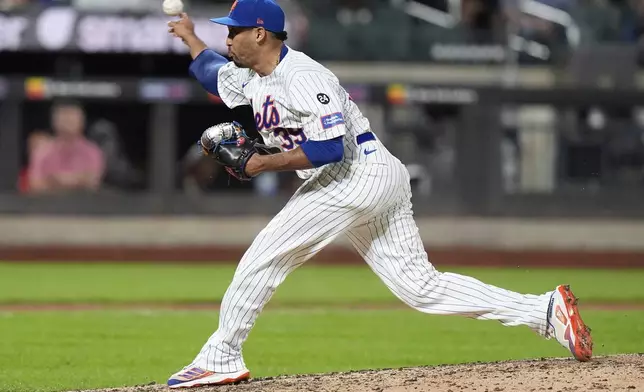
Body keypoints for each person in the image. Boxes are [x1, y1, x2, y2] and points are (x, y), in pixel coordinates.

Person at [166, 0, 593, 388]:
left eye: (233, 31)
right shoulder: (252, 77)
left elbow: (329, 147)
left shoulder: (303, 76)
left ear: (260, 34)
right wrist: (188, 36)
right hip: (373, 177)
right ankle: (544, 311)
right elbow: (209, 71)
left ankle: (221, 356)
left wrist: (261, 163)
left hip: (354, 175)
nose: (227, 39)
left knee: (265, 255)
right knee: (421, 288)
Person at [28, 101, 105, 194]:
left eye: (72, 115)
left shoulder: (93, 152)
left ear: (82, 120)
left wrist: (56, 180)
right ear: (54, 121)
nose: (68, 120)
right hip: (49, 205)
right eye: (64, 115)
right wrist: (79, 179)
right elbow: (36, 185)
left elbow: (93, 183)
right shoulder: (42, 152)